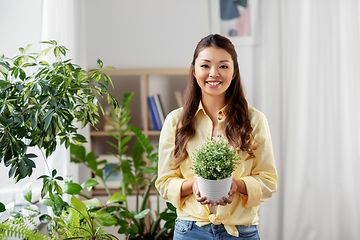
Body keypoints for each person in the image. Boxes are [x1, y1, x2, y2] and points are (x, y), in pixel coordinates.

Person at [155, 34, 277, 240]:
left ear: (234, 72)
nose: (213, 73)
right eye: (205, 66)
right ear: (194, 71)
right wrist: (191, 186)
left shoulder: (254, 120)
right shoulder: (176, 121)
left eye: (223, 66)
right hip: (190, 231)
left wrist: (237, 185)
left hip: (241, 232)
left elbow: (268, 181)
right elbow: (164, 182)